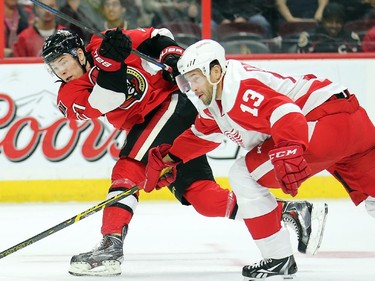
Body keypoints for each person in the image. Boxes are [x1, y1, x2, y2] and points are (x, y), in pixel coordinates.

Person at [41, 28, 327, 277]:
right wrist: (110, 63)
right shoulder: (68, 95)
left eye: (63, 61)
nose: (61, 70)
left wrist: (171, 57)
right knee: (202, 196)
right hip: (149, 124)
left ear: (79, 53)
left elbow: (156, 37)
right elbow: (107, 99)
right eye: (55, 66)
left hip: (172, 104)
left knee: (129, 169)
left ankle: (111, 244)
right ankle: (291, 211)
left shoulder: (103, 45)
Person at [143, 39, 375, 280]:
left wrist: (289, 147)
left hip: (321, 123)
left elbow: (285, 112)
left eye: (195, 78)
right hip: (352, 121)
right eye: (188, 80)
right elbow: (201, 136)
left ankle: (278, 257)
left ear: (214, 71)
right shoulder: (216, 100)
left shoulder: (238, 89)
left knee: (243, 175)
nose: (192, 87)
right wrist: (168, 160)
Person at [296, 2, 361, 53]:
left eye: (338, 22)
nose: (334, 25)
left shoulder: (351, 38)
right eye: (329, 21)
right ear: (323, 21)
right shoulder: (309, 38)